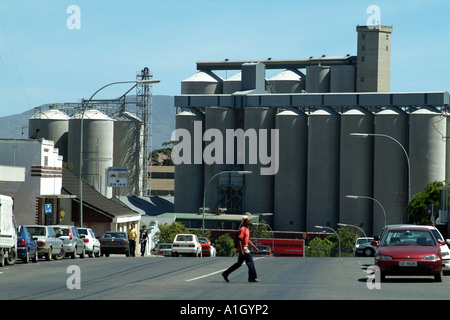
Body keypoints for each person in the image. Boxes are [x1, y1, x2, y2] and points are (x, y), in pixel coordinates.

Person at [222, 216, 259, 283]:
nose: (249, 221)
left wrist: (254, 247)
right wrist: (241, 250)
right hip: (244, 249)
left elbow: (248, 240)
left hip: (245, 248)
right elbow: (239, 240)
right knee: (251, 263)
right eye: (248, 220)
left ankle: (226, 273)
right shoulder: (242, 230)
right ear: (244, 221)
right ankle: (252, 278)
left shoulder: (247, 230)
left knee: (239, 264)